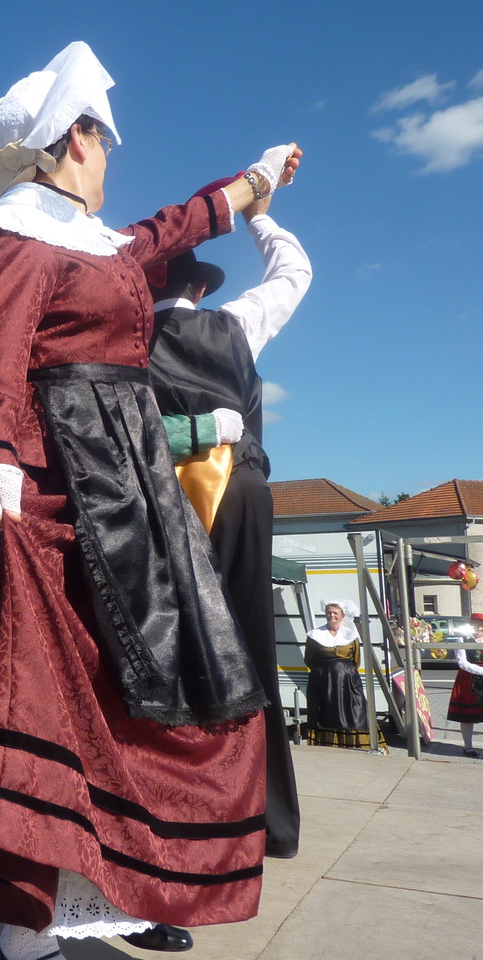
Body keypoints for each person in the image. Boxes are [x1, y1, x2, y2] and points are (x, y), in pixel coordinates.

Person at [0, 42, 300, 959]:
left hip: (133, 480)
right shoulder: (14, 232)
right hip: (67, 478)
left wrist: (252, 185)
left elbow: (169, 231)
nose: (113, 156)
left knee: (168, 683)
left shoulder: (93, 240)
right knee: (72, 695)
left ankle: (145, 878)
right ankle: (29, 941)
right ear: (76, 138)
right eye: (105, 138)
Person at [148, 189, 312, 859]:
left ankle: (182, 812)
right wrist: (259, 216)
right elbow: (295, 272)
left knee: (174, 657)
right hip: (242, 493)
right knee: (249, 652)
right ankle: (267, 819)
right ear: (197, 285)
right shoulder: (236, 322)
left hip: (162, 503)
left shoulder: (123, 347)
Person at [304, 602, 383, 750]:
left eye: (335, 613)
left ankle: (358, 745)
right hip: (324, 682)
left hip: (348, 682)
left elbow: (356, 660)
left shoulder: (351, 635)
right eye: (329, 612)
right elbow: (309, 659)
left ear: (342, 616)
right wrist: (325, 672)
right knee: (327, 712)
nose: (331, 615)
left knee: (356, 711)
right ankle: (328, 744)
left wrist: (343, 672)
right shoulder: (315, 635)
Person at [446, 613, 483, 758]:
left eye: (481, 624)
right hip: (468, 678)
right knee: (467, 715)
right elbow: (462, 662)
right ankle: (468, 746)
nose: (479, 627)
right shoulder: (461, 638)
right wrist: (480, 670)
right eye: (476, 624)